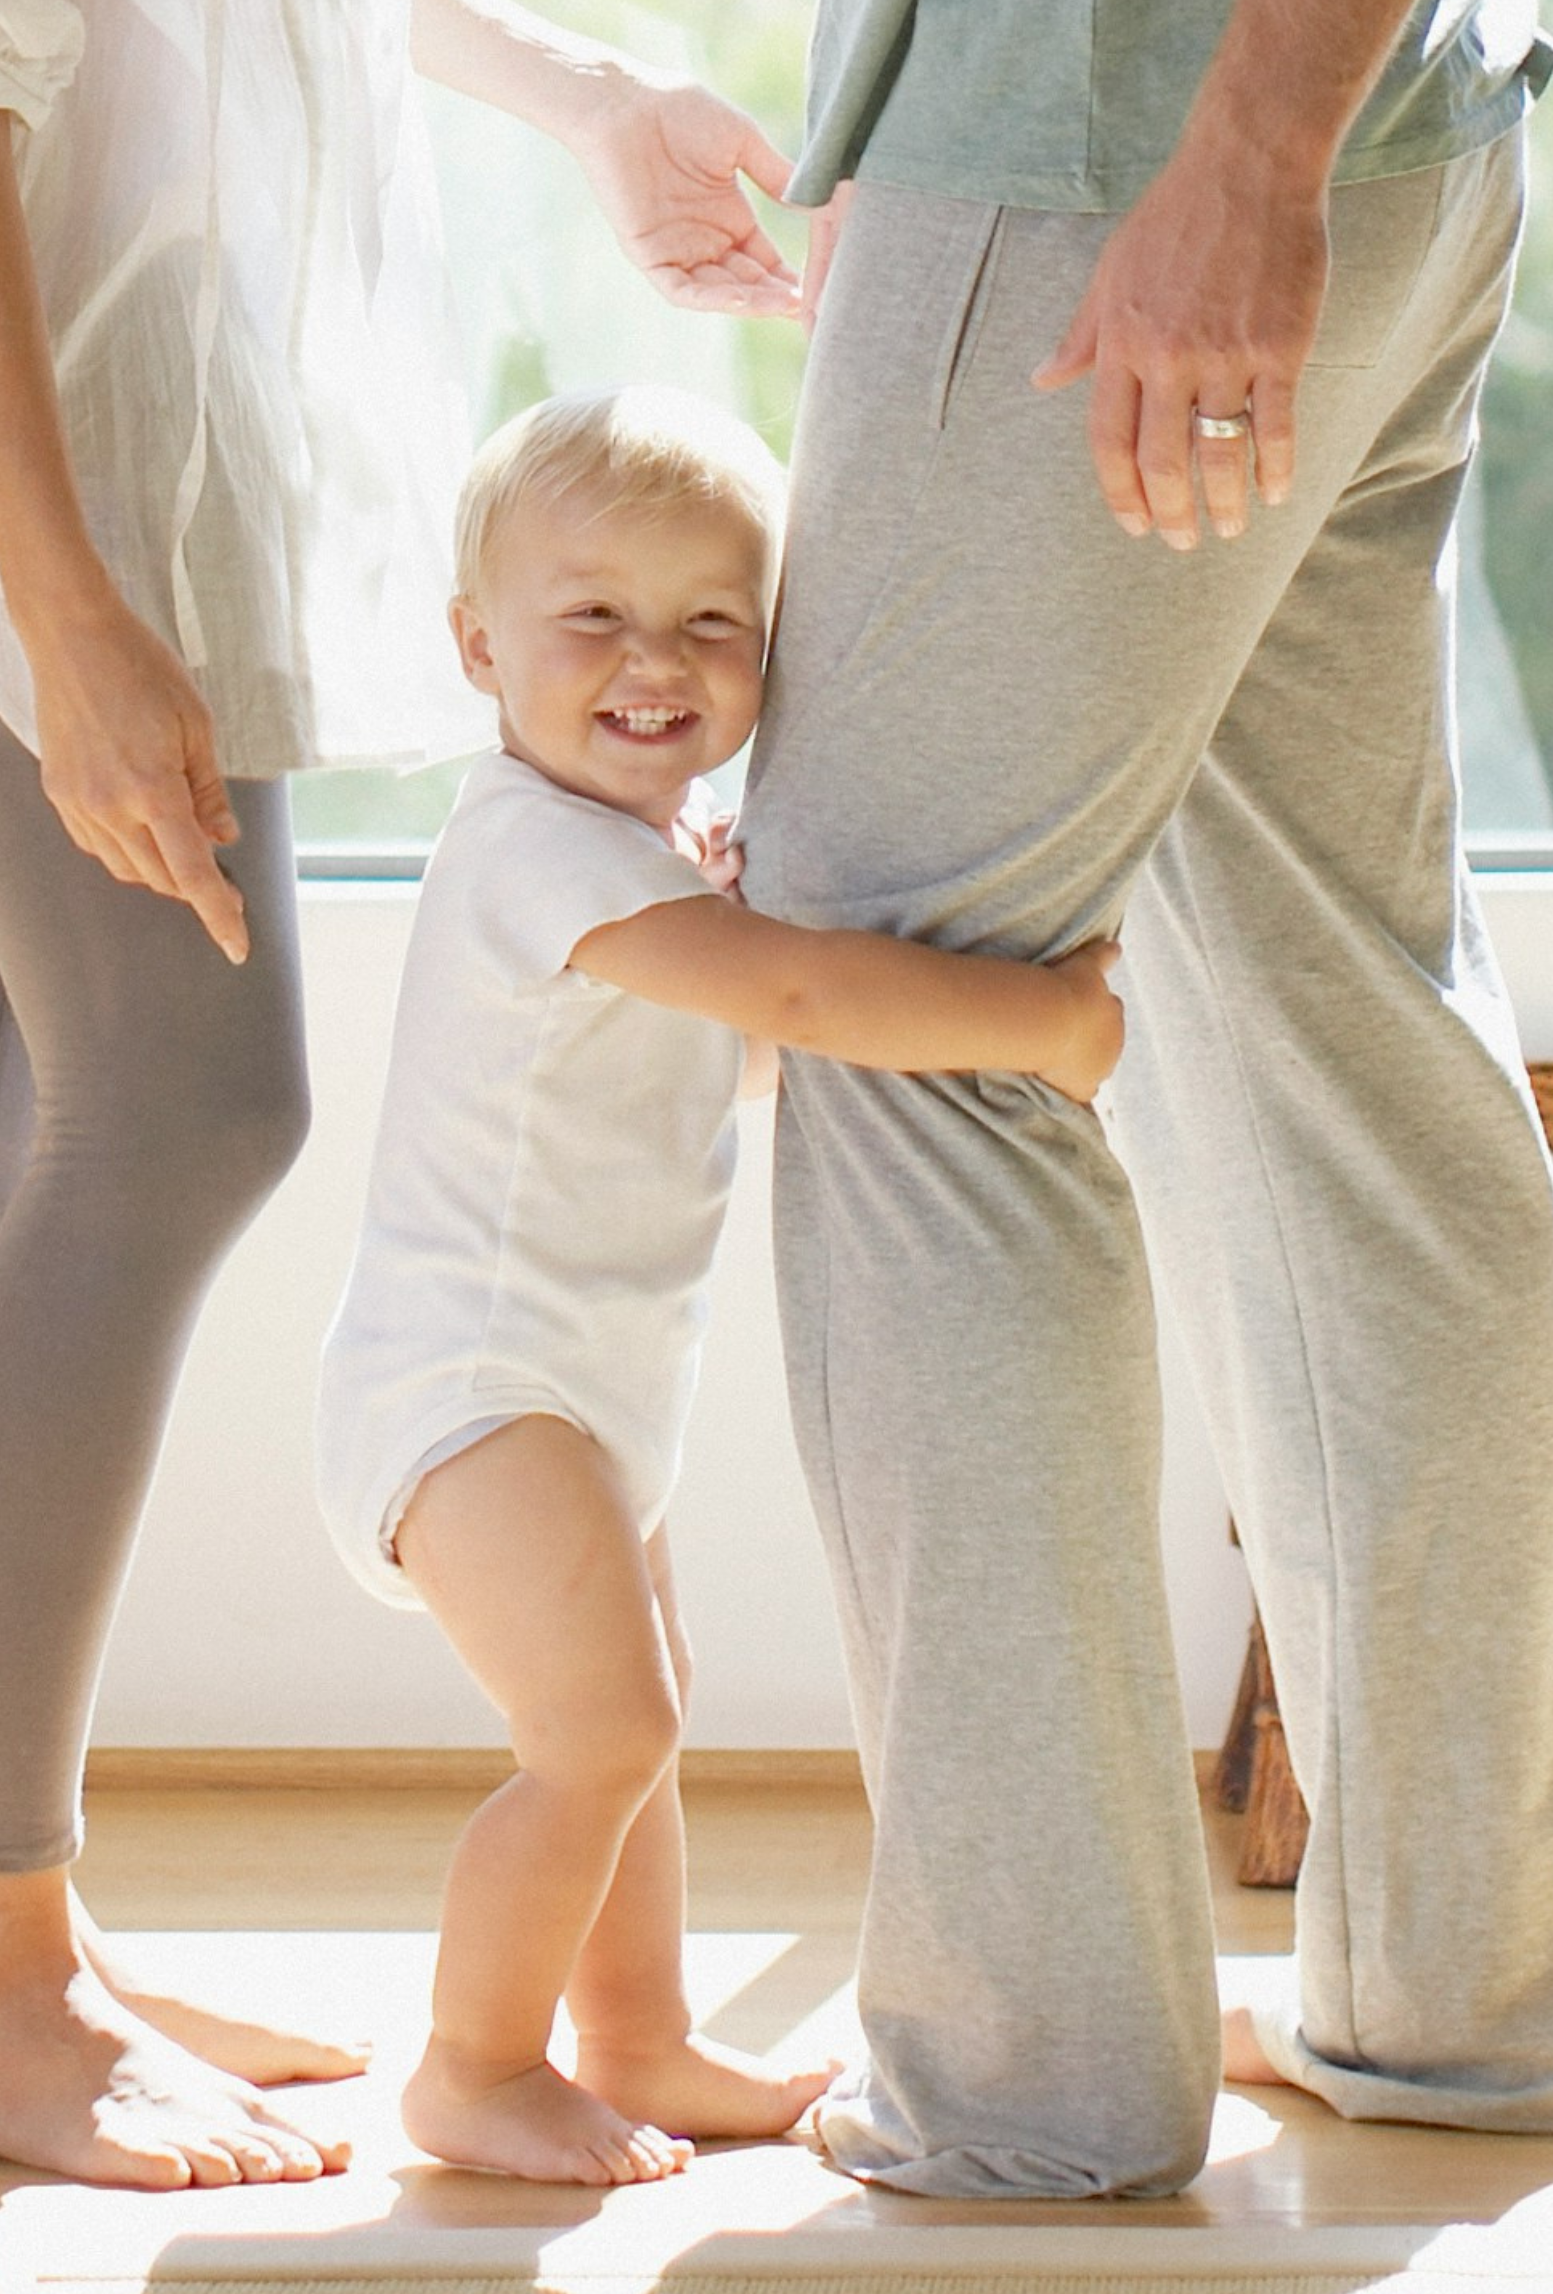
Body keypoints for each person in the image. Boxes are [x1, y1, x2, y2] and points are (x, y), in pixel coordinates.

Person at [0, 0, 817, 2194]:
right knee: (174, 1109)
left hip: (125, 337)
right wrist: (60, 594)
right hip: (40, 362)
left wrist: (593, 97)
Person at [732, 0, 1553, 2200]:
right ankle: (1475, 2016)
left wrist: (1237, 155)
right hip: (1356, 119)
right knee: (1348, 1042)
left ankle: (1034, 2084)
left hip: (1127, 136)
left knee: (901, 1019)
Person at [312, 388, 1124, 2185]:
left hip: (580, 1389)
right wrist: (1043, 1023)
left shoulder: (639, 866)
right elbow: (812, 1008)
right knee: (597, 1730)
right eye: (591, 617)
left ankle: (635, 2040)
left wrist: (744, 947)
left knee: (641, 1717)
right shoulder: (534, 850)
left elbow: (728, 1061)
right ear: (476, 647)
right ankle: (472, 2067)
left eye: (711, 626)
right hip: (472, 1388)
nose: (650, 663)